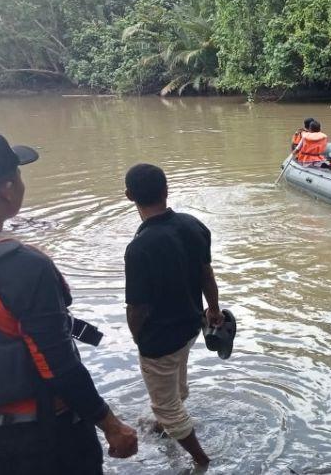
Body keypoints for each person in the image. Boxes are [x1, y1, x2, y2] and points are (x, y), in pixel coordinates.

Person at [0, 127, 137, 475]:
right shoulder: (21, 265)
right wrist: (110, 424)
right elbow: (57, 363)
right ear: (7, 189)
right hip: (45, 433)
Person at [123, 163, 224, 467]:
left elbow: (136, 307)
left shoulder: (139, 248)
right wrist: (214, 309)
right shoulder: (193, 225)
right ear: (166, 190)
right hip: (191, 326)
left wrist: (139, 340)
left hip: (160, 337)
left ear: (129, 196)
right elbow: (207, 274)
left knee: (165, 404)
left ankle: (202, 461)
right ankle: (164, 425)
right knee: (175, 382)